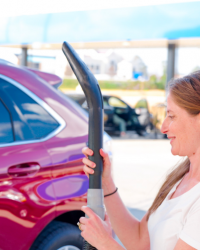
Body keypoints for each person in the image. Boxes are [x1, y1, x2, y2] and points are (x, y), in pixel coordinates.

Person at [78, 71, 200, 250]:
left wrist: (105, 243)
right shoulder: (180, 177)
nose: (163, 127)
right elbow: (140, 239)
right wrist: (106, 181)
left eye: (172, 116)